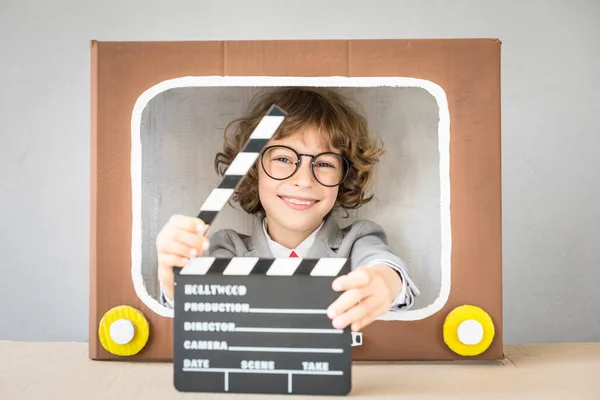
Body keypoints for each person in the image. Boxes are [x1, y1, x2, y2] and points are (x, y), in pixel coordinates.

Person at [155, 87, 419, 332]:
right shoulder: (229, 248)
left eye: (325, 164)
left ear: (345, 175)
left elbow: (383, 266)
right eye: (283, 158)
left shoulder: (358, 240)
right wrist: (174, 282)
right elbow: (204, 302)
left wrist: (383, 282)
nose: (304, 180)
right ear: (253, 169)